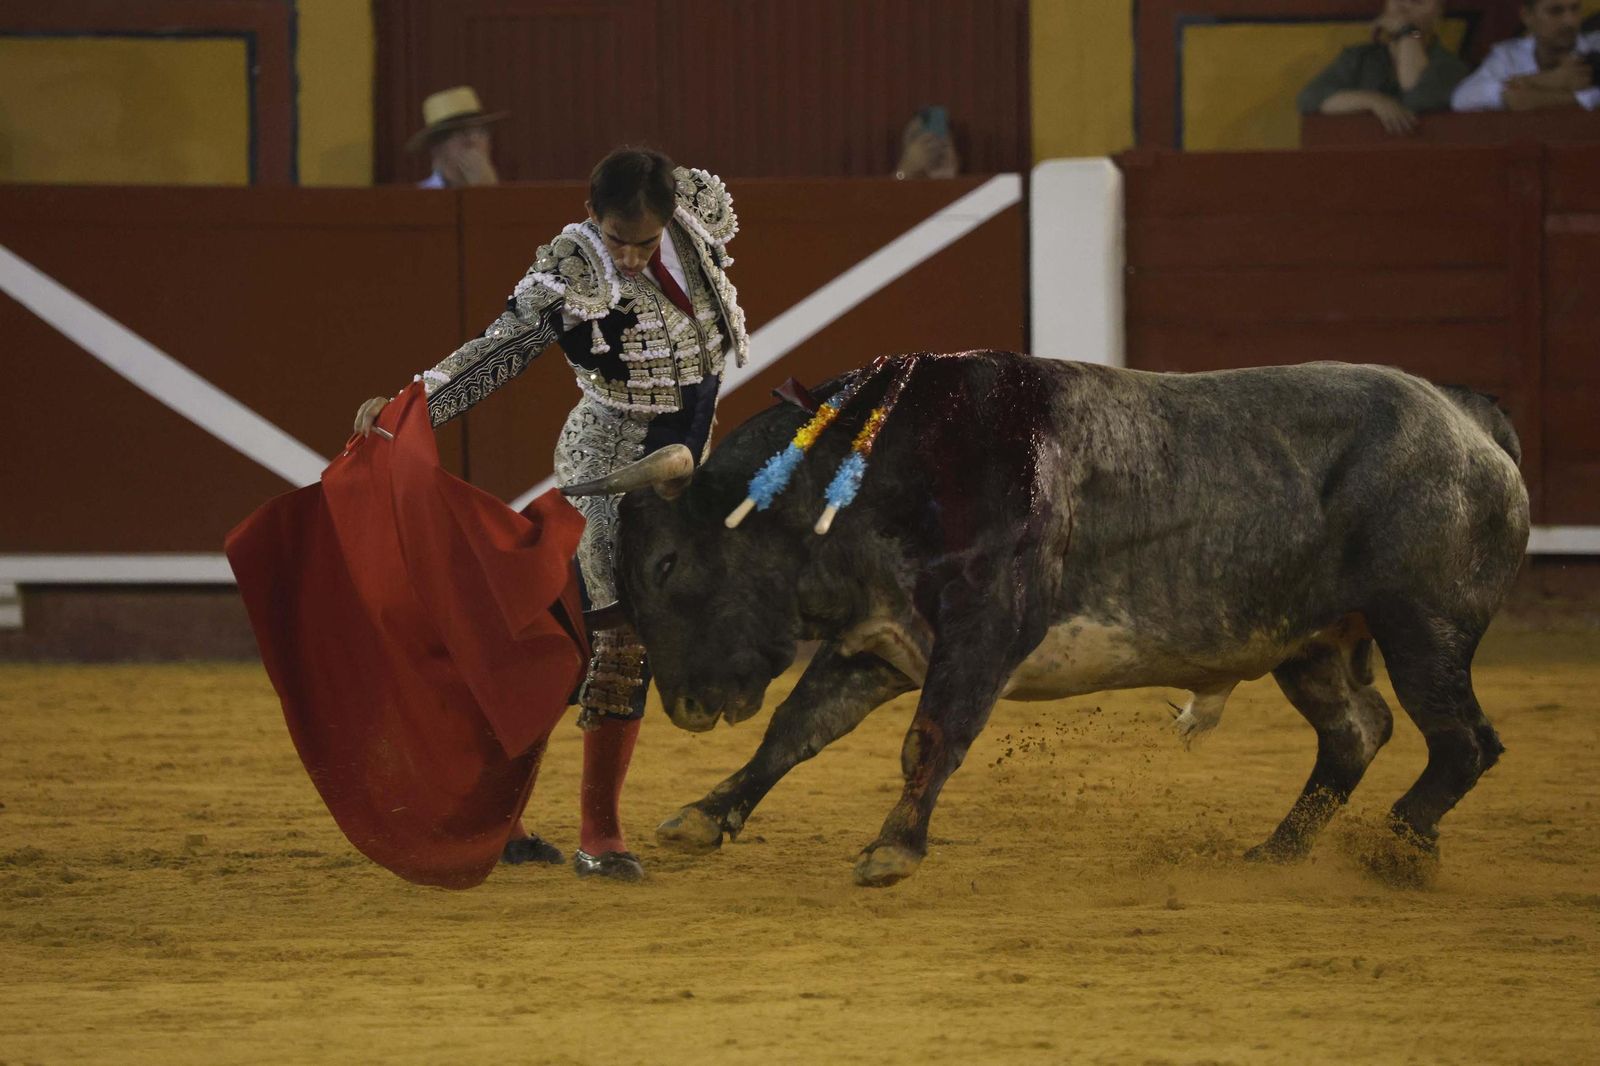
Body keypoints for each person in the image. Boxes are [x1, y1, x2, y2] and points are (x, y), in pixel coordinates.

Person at [354, 147, 746, 882]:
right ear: (593, 216)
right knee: (614, 638)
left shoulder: (691, 219)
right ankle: (600, 835)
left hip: (684, 465)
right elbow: (498, 352)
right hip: (606, 462)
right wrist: (414, 406)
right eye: (618, 238)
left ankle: (509, 814)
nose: (629, 257)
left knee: (581, 641)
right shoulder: (574, 270)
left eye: (644, 241)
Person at [1297, 0, 1469, 134]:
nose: (1405, 7)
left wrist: (1408, 32)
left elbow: (1418, 97)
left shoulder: (1451, 66)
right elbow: (1309, 98)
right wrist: (1374, 101)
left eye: (1418, 2)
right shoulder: (1360, 57)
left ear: (1438, 13)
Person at [1451, 0, 1599, 112]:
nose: (1570, 21)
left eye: (1575, 9)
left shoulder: (1596, 45)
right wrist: (1549, 80)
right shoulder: (1509, 55)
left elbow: (1521, 100)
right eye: (1555, 11)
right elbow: (1462, 98)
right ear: (1527, 16)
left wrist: (1534, 97)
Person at [407, 85, 506, 188]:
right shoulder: (417, 199)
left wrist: (490, 189)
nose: (473, 140)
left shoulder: (513, 197)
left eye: (481, 131)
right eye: (463, 133)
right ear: (437, 147)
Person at [894, 107, 960, 180]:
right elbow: (896, 179)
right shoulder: (903, 169)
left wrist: (948, 170)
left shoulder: (948, 154)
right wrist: (905, 170)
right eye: (917, 135)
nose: (926, 139)